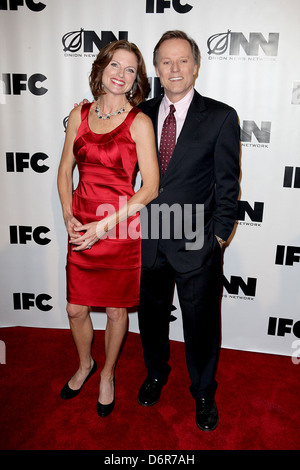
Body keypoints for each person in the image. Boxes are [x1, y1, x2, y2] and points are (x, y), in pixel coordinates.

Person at [136, 30, 240, 431]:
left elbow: (228, 185)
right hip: (147, 240)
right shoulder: (139, 113)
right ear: (156, 69)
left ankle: (202, 392)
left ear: (196, 66)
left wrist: (217, 237)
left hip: (197, 241)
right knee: (151, 317)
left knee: (201, 324)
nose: (175, 69)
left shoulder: (220, 116)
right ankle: (157, 373)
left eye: (182, 61)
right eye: (166, 61)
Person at [57, 40, 159, 418]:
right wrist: (69, 213)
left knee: (117, 312)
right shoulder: (80, 114)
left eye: (130, 70)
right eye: (115, 65)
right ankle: (85, 364)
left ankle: (108, 374)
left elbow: (149, 187)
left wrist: (105, 225)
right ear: (101, 69)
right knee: (74, 307)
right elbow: (65, 169)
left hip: (117, 226)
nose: (121, 74)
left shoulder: (140, 122)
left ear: (136, 80)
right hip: (83, 224)